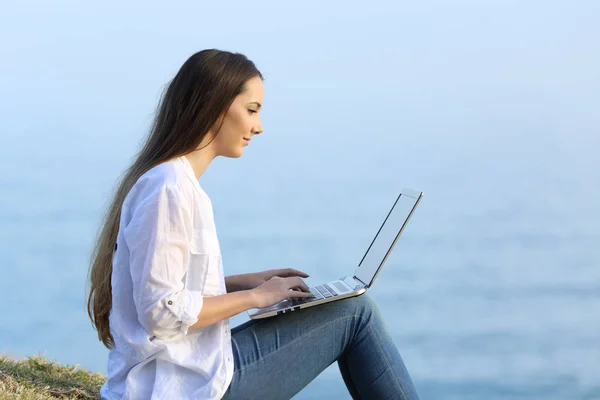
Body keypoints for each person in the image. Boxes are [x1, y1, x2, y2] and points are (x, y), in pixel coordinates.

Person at [87, 49, 420, 400]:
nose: (258, 127)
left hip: (185, 372)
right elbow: (160, 312)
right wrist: (256, 297)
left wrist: (236, 284)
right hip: (183, 388)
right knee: (356, 313)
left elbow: (162, 289)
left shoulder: (173, 182)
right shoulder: (169, 188)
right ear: (216, 107)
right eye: (252, 110)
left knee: (350, 309)